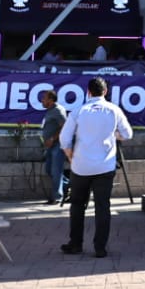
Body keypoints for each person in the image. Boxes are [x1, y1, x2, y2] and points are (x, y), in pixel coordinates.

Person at [58, 77, 132, 257]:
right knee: (102, 207)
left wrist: (70, 155)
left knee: (77, 205)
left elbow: (64, 138)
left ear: (88, 92)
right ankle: (100, 247)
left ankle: (75, 244)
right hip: (105, 166)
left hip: (81, 166)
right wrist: (114, 135)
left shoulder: (78, 111)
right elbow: (128, 134)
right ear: (105, 91)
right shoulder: (114, 110)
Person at [39, 89, 69, 206]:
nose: (42, 100)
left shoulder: (58, 110)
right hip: (50, 146)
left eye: (44, 98)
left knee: (56, 171)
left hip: (57, 145)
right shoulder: (50, 111)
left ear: (51, 100)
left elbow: (64, 127)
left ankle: (57, 197)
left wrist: (52, 139)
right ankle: (70, 186)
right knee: (49, 170)